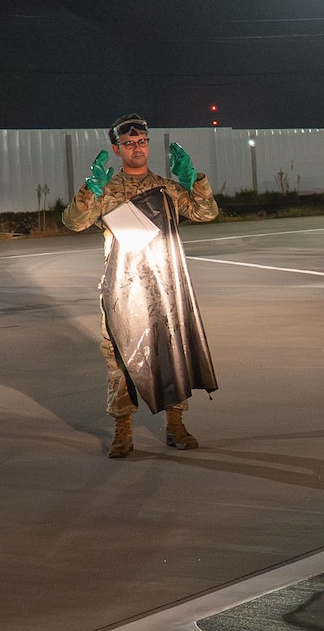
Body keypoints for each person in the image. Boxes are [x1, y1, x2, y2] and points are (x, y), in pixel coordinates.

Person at [62, 114, 219, 458]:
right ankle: (122, 431)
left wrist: (194, 180)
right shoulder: (108, 191)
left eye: (142, 141)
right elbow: (74, 221)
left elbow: (206, 213)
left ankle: (176, 426)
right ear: (117, 150)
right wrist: (92, 188)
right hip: (123, 288)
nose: (137, 148)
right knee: (119, 357)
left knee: (171, 350)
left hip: (164, 285)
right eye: (129, 143)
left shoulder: (166, 188)